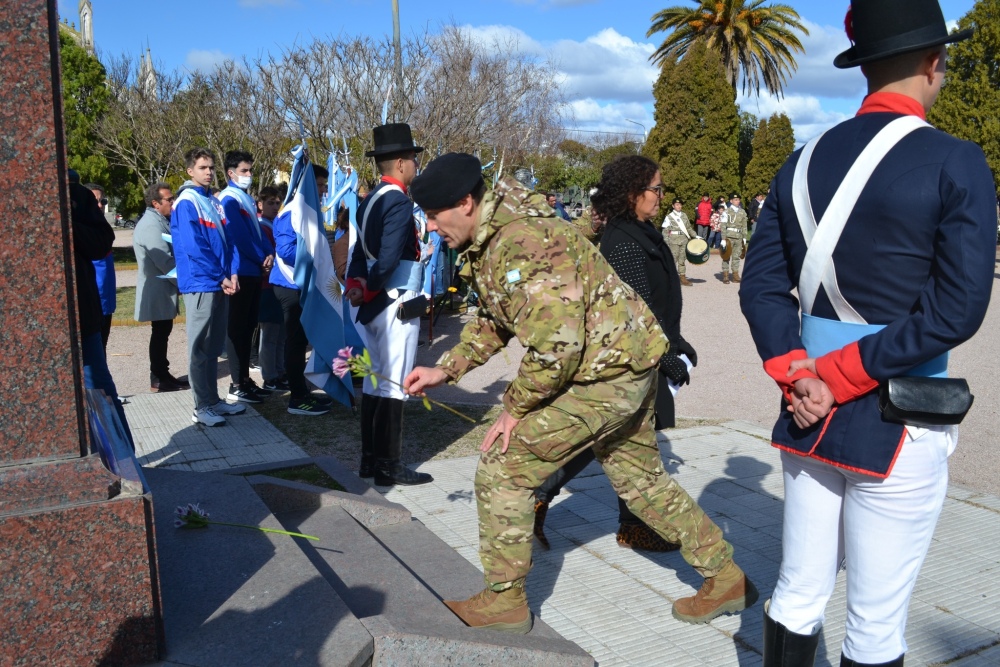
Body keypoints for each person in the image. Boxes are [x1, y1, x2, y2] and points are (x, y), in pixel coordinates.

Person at [739, 1, 996, 664]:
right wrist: (837, 377)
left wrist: (801, 370)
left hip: (805, 409)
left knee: (796, 591)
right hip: (898, 408)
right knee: (876, 621)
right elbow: (956, 310)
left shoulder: (799, 161)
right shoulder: (955, 160)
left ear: (865, 68)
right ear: (934, 63)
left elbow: (759, 286)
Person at [405, 152, 757, 634]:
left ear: (465, 203)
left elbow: (558, 347)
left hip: (606, 376)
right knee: (643, 483)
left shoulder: (522, 240)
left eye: (433, 214)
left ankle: (505, 602)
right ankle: (727, 577)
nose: (429, 226)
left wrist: (514, 409)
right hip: (624, 367)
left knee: (503, 467)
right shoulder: (494, 238)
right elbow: (494, 319)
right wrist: (446, 368)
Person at [533, 156, 702, 554]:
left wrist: (676, 344)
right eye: (655, 189)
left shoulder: (642, 232)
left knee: (616, 438)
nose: (662, 196)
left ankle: (549, 496)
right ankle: (623, 522)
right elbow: (634, 313)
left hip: (644, 356)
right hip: (629, 361)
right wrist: (665, 357)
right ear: (632, 194)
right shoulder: (623, 241)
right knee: (620, 439)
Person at [345, 123, 432, 486]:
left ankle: (370, 461)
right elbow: (390, 256)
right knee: (394, 382)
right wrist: (371, 287)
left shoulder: (369, 201)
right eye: (412, 159)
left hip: (376, 302)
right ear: (400, 163)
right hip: (395, 298)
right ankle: (388, 466)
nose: (415, 164)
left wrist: (358, 285)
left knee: (377, 381)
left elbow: (359, 253)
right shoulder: (398, 201)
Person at [170, 147, 247, 427]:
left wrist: (234, 272)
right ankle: (201, 405)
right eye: (203, 168)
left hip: (219, 281)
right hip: (201, 282)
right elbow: (195, 247)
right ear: (190, 171)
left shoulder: (212, 202)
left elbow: (230, 242)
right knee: (199, 346)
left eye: (211, 167)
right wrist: (221, 275)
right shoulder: (187, 201)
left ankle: (213, 401)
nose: (209, 172)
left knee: (214, 346)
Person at [69, 172, 135, 450]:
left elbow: (100, 243)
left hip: (81, 317)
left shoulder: (74, 193)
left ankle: (123, 462)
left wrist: (64, 221)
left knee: (100, 390)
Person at [271, 164, 333, 416]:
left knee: (301, 340)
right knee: (295, 342)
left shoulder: (306, 211)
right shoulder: (291, 213)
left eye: (324, 186)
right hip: (290, 285)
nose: (323, 190)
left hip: (302, 284)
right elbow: (285, 250)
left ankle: (303, 391)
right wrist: (314, 255)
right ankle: (297, 398)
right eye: (319, 185)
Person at [219, 150, 275, 404]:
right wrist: (259, 257)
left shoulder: (245, 198)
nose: (249, 175)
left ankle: (245, 380)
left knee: (249, 329)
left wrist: (269, 253)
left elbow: (258, 231)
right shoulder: (229, 198)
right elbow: (239, 237)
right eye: (244, 171)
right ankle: (236, 383)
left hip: (253, 270)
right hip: (241, 271)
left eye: (250, 170)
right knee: (238, 330)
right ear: (231, 173)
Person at [133, 181, 188, 393]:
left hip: (163, 287)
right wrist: (183, 282)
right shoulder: (150, 224)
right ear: (156, 203)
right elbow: (163, 259)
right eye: (169, 199)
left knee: (162, 332)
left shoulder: (159, 221)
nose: (172, 203)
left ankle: (163, 375)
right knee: (160, 333)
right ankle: (158, 377)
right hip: (157, 288)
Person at [256, 186, 288, 392]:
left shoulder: (274, 223)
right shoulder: (261, 226)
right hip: (266, 286)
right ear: (260, 204)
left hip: (278, 284)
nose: (275, 206)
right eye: (270, 203)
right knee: (269, 334)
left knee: (279, 332)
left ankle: (279, 371)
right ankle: (269, 376)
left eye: (277, 203)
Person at [85, 182, 116, 350]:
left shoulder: (102, 229)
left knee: (102, 348)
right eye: (93, 200)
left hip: (107, 303)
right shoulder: (82, 230)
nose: (99, 205)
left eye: (102, 201)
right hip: (92, 305)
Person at [661, 197, 697, 287]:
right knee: (673, 260)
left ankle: (682, 277)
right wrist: (666, 242)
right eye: (677, 204)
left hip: (683, 239)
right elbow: (665, 231)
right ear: (673, 206)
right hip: (674, 240)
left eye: (680, 204)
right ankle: (671, 278)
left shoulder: (684, 215)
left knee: (682, 260)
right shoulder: (669, 217)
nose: (679, 206)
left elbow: (688, 228)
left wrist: (695, 235)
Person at [720, 193, 747, 284]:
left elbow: (744, 225)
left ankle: (735, 275)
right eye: (735, 200)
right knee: (726, 256)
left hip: (738, 237)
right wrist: (723, 238)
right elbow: (723, 225)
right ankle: (726, 275)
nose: (737, 201)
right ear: (731, 201)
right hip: (729, 236)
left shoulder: (742, 212)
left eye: (738, 200)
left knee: (736, 257)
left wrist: (744, 237)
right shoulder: (726, 212)